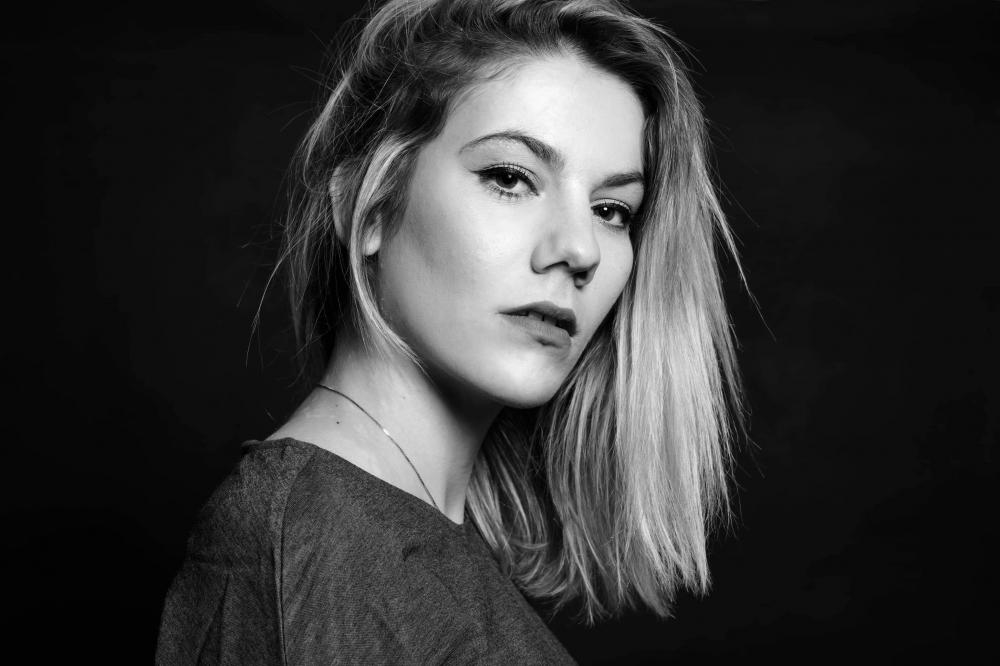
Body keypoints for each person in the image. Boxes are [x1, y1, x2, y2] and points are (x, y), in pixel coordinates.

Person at [156, 0, 744, 662]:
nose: (580, 250)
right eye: (510, 177)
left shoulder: (402, 532)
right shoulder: (319, 540)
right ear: (367, 205)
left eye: (612, 210)